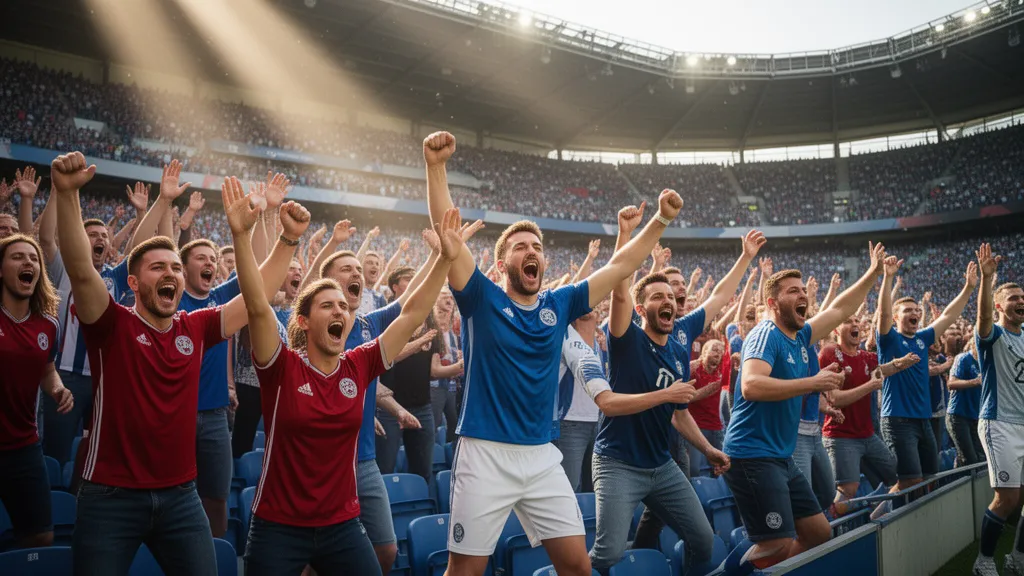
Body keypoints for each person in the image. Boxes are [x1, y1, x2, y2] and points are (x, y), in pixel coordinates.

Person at [423, 130, 683, 576]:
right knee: (464, 571)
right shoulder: (481, 297)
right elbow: (449, 231)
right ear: (502, 261)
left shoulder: (558, 304)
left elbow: (620, 266)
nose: (532, 253)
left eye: (538, 248)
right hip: (485, 452)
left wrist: (659, 219)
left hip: (541, 456)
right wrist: (435, 166)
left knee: (578, 568)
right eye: (521, 247)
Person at [51, 154, 299, 576]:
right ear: (133, 283)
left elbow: (256, 299)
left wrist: (287, 239)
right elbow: (78, 267)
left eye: (175, 268)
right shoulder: (111, 322)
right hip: (111, 496)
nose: (172, 273)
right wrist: (68, 193)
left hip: (180, 496)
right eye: (158, 267)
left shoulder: (196, 326)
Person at [232, 164, 465, 576]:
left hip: (341, 525)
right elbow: (255, 304)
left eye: (343, 304)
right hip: (279, 525)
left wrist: (445, 259)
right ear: (303, 321)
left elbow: (412, 312)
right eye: (327, 304)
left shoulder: (358, 364)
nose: (340, 309)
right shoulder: (280, 366)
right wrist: (256, 235)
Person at [720, 242, 887, 574]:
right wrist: (812, 383)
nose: (802, 296)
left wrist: (872, 273)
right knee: (777, 544)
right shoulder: (765, 334)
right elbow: (751, 385)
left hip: (779, 455)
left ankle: (772, 569)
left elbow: (840, 309)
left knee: (817, 531)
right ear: (772, 303)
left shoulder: (800, 335)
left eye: (802, 290)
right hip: (752, 455)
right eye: (792, 291)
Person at [875, 255, 977, 496]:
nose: (914, 313)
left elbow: (948, 316)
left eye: (916, 310)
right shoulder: (889, 339)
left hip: (924, 419)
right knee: (910, 482)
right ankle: (880, 519)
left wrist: (969, 287)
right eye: (907, 310)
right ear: (897, 317)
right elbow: (882, 314)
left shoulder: (922, 339)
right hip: (898, 420)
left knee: (929, 480)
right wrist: (888, 278)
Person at [0, 233, 73, 549]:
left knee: (41, 538)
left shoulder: (48, 324)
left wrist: (57, 389)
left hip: (24, 446)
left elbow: (47, 368)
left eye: (33, 258)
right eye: (17, 257)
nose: (27, 262)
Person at [819, 315, 915, 511]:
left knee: (896, 476)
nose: (855, 324)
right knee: (848, 489)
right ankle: (836, 532)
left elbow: (881, 369)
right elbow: (835, 398)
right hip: (841, 436)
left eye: (857, 321)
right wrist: (870, 385)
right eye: (848, 321)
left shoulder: (864, 356)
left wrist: (900, 363)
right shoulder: (830, 353)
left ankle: (877, 518)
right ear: (836, 330)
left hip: (868, 435)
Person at [972, 244, 1024, 576]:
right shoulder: (992, 335)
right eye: (1014, 298)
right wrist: (987, 280)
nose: (1021, 301)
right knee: (1006, 499)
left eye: (1023, 297)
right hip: (999, 423)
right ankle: (984, 561)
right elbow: (982, 319)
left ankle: (1017, 558)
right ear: (1000, 306)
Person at [553, 313, 605, 492]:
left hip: (596, 423)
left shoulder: (599, 344)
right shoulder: (564, 337)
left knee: (594, 487)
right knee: (570, 487)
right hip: (570, 422)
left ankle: (587, 521)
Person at [430, 289, 463, 444]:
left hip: (450, 386)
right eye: (444, 297)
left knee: (454, 423)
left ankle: (451, 458)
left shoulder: (453, 334)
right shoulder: (431, 330)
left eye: (451, 297)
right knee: (433, 424)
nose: (449, 300)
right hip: (435, 386)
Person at [946, 336, 983, 467]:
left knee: (980, 458)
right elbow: (951, 383)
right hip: (958, 415)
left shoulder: (986, 361)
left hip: (976, 416)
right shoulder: (963, 358)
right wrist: (975, 382)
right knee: (969, 459)